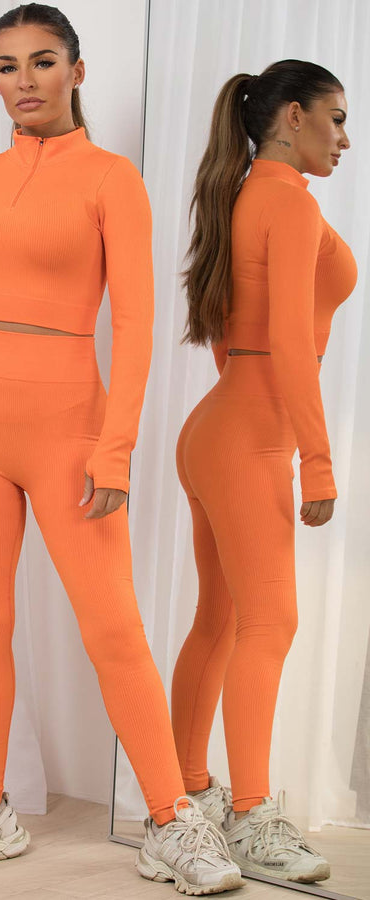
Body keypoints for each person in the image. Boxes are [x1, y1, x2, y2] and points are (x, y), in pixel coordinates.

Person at [0, 3, 241, 894]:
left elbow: (134, 325)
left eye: (43, 60)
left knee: (112, 627)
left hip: (69, 430)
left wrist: (114, 447)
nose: (24, 80)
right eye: (6, 65)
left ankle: (172, 819)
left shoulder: (111, 179)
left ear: (78, 70)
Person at [172, 59, 357, 883]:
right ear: (292, 117)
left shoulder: (244, 192)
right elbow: (286, 339)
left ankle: (186, 792)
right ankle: (251, 816)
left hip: (220, 427)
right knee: (270, 625)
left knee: (220, 622)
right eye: (337, 119)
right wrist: (315, 461)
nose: (345, 139)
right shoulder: (286, 202)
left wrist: (256, 420)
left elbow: (233, 331)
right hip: (247, 438)